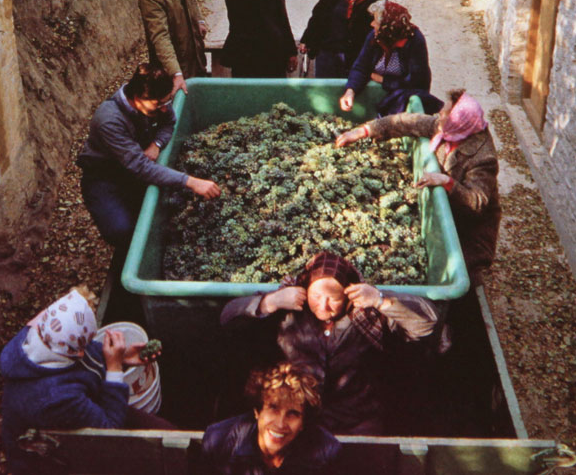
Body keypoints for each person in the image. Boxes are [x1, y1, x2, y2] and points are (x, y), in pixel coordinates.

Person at [220, 252, 438, 435]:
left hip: (357, 418)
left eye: (333, 298)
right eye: (316, 296)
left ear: (348, 294)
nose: (323, 306)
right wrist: (270, 302)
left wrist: (380, 299)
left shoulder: (364, 312)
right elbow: (228, 319)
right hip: (297, 418)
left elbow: (426, 324)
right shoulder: (289, 309)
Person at [335, 89, 500, 283]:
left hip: (469, 228)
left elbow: (476, 201)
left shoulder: (483, 158)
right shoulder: (446, 127)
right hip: (445, 208)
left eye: (444, 115)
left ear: (459, 122)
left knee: (460, 273)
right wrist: (363, 131)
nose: (439, 117)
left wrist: (447, 182)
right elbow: (407, 122)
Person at [0, 288, 166, 474]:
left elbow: (86, 355)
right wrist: (114, 369)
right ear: (78, 352)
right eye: (86, 344)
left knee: (165, 431)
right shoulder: (55, 398)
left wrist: (121, 358)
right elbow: (109, 433)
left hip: (81, 408)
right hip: (51, 455)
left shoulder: (45, 335)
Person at [77, 63, 221, 250]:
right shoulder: (109, 121)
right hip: (104, 177)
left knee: (162, 214)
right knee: (121, 230)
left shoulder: (157, 101)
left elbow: (169, 123)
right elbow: (141, 167)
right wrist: (192, 182)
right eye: (158, 104)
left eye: (166, 102)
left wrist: (157, 144)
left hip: (135, 166)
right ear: (137, 98)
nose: (164, 108)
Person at [202, 363, 341, 474]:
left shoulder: (325, 453)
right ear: (257, 411)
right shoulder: (219, 442)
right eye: (273, 408)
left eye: (293, 413)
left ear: (303, 423)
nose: (280, 424)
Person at [338, 0, 442, 116]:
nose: (372, 24)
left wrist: (383, 80)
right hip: (389, 89)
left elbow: (416, 83)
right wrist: (350, 91)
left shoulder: (414, 40)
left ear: (388, 27)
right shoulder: (374, 36)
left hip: (403, 96)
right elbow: (361, 67)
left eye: (376, 21)